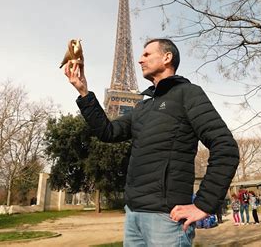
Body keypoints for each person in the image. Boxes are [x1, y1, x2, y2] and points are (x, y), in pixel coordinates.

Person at [63, 38, 239, 246]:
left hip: (166, 219)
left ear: (167, 57)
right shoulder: (142, 108)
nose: (140, 60)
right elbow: (107, 132)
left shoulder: (188, 94)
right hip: (133, 215)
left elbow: (225, 147)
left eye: (147, 54)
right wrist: (84, 92)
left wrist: (204, 204)